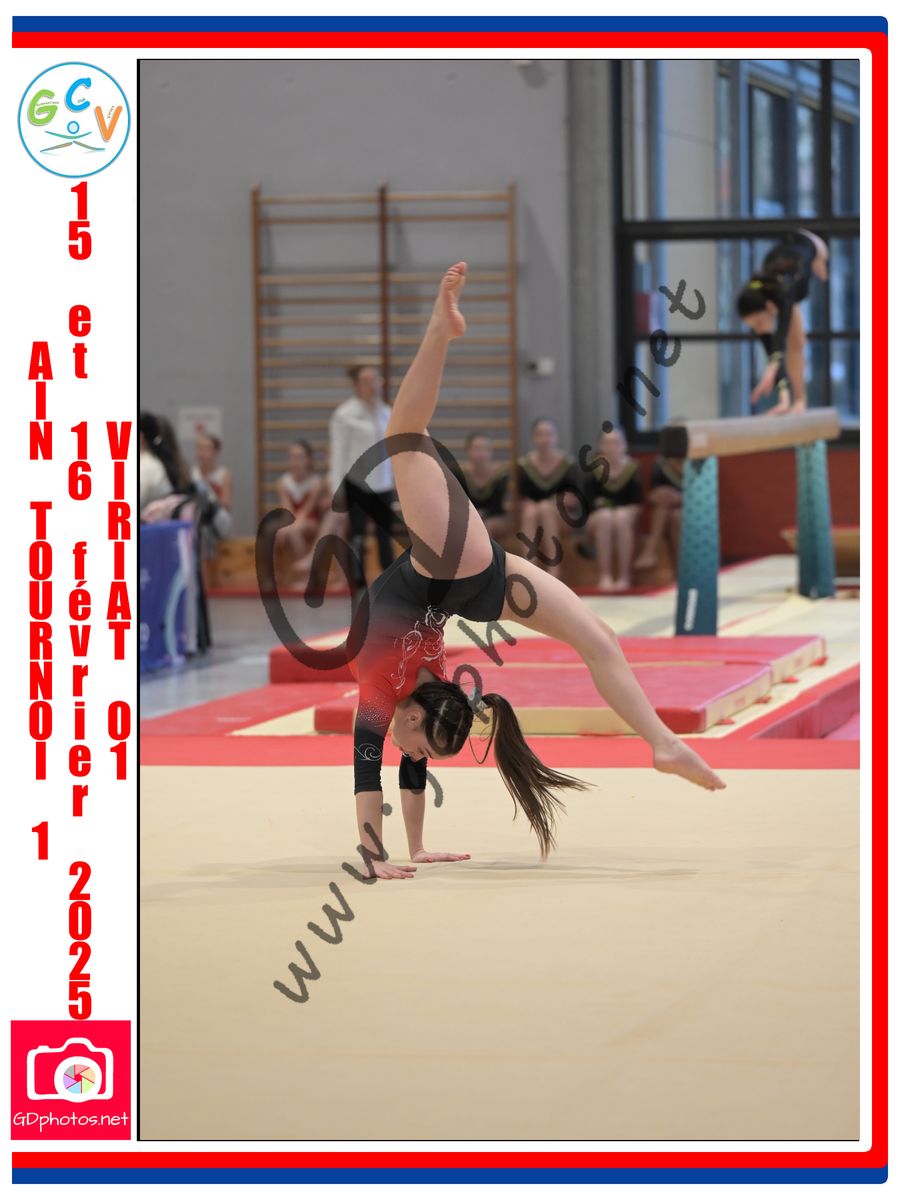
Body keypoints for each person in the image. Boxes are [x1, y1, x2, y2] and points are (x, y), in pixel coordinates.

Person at [348, 263, 725, 881]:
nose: (409, 754)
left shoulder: (383, 690)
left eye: (416, 745)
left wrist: (374, 857)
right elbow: (407, 764)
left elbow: (368, 772)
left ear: (415, 716)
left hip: (456, 571)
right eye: (418, 748)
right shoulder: (419, 701)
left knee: (405, 435)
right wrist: (410, 850)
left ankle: (441, 329)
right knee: (597, 638)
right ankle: (661, 741)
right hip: (468, 572)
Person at [736, 228, 829, 415]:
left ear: (769, 307)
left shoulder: (785, 293)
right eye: (754, 326)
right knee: (793, 343)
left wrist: (771, 369)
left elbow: (779, 342)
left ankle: (800, 400)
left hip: (814, 245)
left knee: (796, 343)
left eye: (759, 322)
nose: (759, 329)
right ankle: (792, 401)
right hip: (787, 252)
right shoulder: (766, 296)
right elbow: (773, 352)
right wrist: (783, 396)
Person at [328, 364, 398, 589]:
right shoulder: (345, 414)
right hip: (357, 483)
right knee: (357, 534)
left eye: (375, 380)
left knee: (384, 534)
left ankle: (389, 581)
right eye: (366, 381)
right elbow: (338, 453)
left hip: (383, 483)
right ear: (357, 385)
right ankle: (357, 583)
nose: (373, 385)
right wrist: (336, 489)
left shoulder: (387, 412)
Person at [516, 417, 580, 578]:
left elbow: (573, 501)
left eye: (549, 434)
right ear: (533, 438)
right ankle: (529, 569)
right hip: (533, 519)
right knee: (531, 511)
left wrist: (553, 504)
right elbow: (522, 501)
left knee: (545, 508)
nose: (545, 439)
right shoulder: (524, 465)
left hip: (562, 519)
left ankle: (554, 569)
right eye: (540, 434)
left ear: (556, 437)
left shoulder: (567, 464)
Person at [582, 426, 642, 593]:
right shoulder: (594, 469)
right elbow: (589, 504)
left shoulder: (632, 467)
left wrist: (614, 508)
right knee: (605, 517)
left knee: (620, 517)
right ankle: (605, 575)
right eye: (607, 443)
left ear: (624, 445)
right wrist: (607, 508)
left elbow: (636, 502)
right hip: (597, 519)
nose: (612, 447)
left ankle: (624, 576)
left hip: (626, 516)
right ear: (601, 446)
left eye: (616, 442)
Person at [274, 440, 329, 573]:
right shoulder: (282, 483)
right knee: (271, 532)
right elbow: (288, 510)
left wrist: (289, 528)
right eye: (292, 457)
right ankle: (274, 576)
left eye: (299, 457)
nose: (295, 461)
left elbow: (306, 511)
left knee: (293, 532)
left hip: (312, 522)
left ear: (309, 460)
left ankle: (308, 575)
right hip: (292, 521)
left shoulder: (317, 483)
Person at [454, 432, 511, 541]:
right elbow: (459, 504)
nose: (480, 453)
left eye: (485, 448)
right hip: (468, 518)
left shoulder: (500, 474)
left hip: (496, 518)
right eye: (476, 449)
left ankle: (488, 553)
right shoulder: (460, 474)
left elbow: (496, 506)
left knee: (485, 526)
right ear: (467, 451)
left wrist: (481, 516)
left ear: (491, 451)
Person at [633, 457, 683, 572]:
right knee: (662, 508)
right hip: (664, 507)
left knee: (677, 516)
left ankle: (650, 551)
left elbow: (704, 495)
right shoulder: (661, 463)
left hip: (692, 506)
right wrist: (658, 494)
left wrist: (680, 497)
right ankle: (650, 553)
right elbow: (651, 495)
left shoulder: (699, 461)